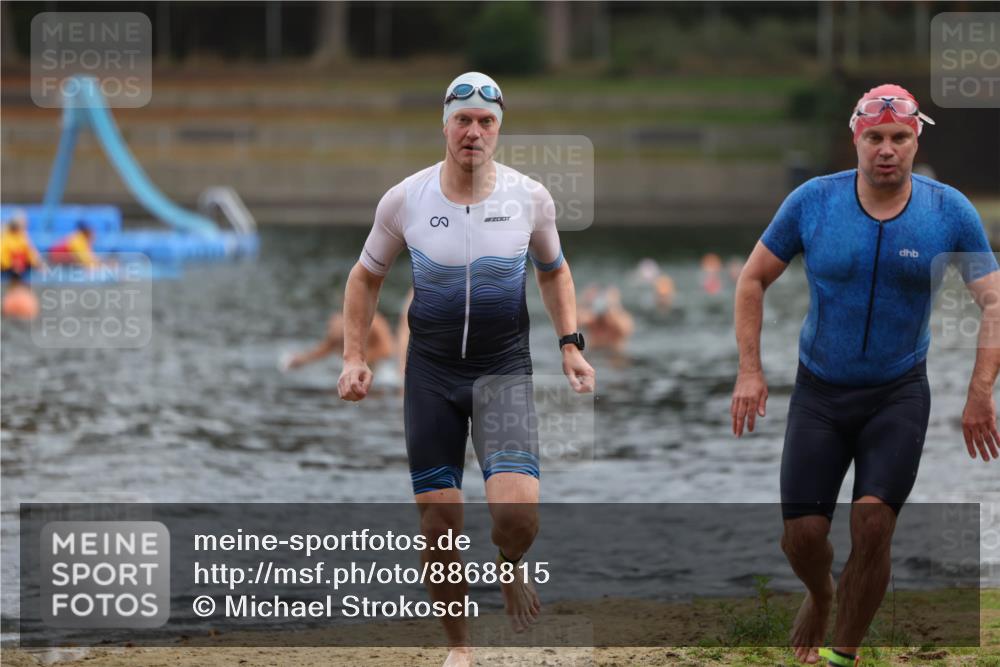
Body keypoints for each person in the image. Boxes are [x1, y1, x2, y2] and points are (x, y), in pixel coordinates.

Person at [731, 84, 1000, 667]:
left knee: (873, 523)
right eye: (874, 137)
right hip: (820, 392)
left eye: (899, 138)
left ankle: (842, 655)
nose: (886, 149)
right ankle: (822, 592)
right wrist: (750, 371)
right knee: (803, 537)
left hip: (898, 392)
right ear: (856, 139)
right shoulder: (812, 202)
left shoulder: (947, 210)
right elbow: (751, 279)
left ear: (915, 140)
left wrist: (979, 394)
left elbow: (995, 300)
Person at [339, 72, 595, 667]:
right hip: (429, 373)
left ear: (499, 130)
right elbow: (364, 277)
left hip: (501, 369)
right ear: (445, 124)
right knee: (440, 523)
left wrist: (570, 344)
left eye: (485, 123)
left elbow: (554, 270)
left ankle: (509, 566)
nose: (473, 133)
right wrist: (354, 355)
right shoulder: (406, 199)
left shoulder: (529, 198)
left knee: (516, 518)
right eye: (463, 120)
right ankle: (460, 648)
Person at [284, 310, 395, 372]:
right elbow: (324, 349)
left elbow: (388, 350)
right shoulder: (338, 331)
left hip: (378, 366)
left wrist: (360, 361)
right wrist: (303, 360)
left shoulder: (375, 323)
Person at [579, 285, 634, 353]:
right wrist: (585, 301)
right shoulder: (591, 320)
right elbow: (575, 322)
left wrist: (612, 305)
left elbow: (625, 328)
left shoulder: (619, 322)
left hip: (615, 354)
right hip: (593, 351)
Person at [1, 210, 43, 283]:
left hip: (19, 268)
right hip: (8, 269)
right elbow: (3, 258)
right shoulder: (5, 237)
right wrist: (12, 265)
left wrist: (38, 264)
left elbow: (31, 253)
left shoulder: (23, 237)